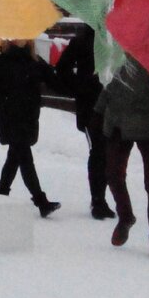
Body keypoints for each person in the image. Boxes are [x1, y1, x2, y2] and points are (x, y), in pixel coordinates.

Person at [96, 55, 149, 262]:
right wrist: (98, 111)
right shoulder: (120, 55)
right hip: (118, 124)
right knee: (113, 175)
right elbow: (110, 85)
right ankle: (125, 217)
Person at [0, 39, 61, 217]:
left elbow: (54, 82)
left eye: (25, 35)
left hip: (28, 117)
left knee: (15, 156)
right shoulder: (0, 62)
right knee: (24, 157)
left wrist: (79, 87)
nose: (21, 39)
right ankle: (41, 201)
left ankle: (2, 192)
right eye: (17, 35)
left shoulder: (35, 62)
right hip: (9, 117)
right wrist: (4, 101)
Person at [55, 24, 115, 219]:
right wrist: (80, 89)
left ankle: (104, 198)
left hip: (113, 106)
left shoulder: (115, 39)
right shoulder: (83, 39)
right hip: (90, 107)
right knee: (98, 151)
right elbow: (62, 67)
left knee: (109, 153)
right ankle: (98, 200)